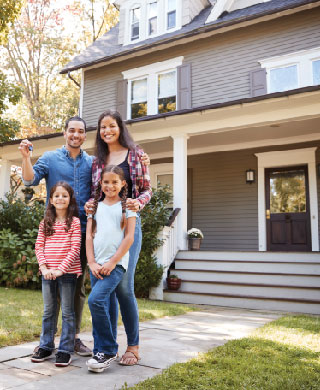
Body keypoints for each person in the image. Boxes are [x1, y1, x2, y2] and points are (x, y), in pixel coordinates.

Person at [19, 117, 92, 356]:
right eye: (72, 130)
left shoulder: (91, 162)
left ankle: (73, 339)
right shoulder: (50, 158)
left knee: (77, 291)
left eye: (80, 131)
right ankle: (48, 341)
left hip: (81, 235)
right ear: (64, 133)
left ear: (84, 135)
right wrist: (26, 157)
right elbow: (29, 180)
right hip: (55, 235)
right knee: (52, 294)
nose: (76, 135)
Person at [85, 109, 152, 366]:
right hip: (104, 225)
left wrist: (137, 203)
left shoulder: (136, 154)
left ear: (119, 127)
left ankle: (133, 347)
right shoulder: (97, 160)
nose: (107, 131)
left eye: (111, 126)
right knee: (106, 289)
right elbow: (96, 193)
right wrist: (91, 206)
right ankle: (107, 347)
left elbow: (147, 189)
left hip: (127, 222)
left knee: (124, 287)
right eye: (103, 127)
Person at [86, 165, 136, 373]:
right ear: (101, 183)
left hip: (114, 265)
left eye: (115, 182)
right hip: (96, 264)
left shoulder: (128, 208)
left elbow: (129, 238)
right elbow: (89, 236)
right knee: (101, 304)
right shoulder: (94, 207)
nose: (110, 185)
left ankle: (107, 349)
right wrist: (91, 262)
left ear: (123, 184)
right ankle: (100, 351)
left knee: (95, 300)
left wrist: (113, 261)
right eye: (106, 182)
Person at [31, 182, 82, 367]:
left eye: (64, 195)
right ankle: (45, 346)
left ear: (70, 200)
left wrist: (61, 268)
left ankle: (65, 350)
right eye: (57, 196)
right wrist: (44, 268)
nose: (60, 198)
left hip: (67, 273)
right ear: (51, 200)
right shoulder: (45, 222)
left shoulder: (74, 222)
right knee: (48, 311)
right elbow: (39, 246)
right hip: (47, 273)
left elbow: (75, 248)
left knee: (68, 312)